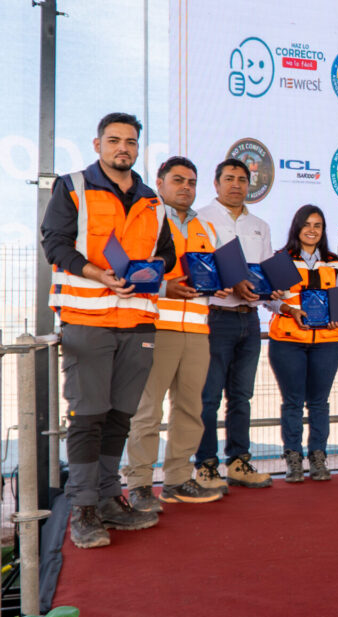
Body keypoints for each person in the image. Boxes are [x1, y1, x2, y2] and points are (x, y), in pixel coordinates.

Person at [41, 112, 172, 547]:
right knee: (88, 416)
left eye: (130, 142)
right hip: (88, 319)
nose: (123, 148)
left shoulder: (152, 200)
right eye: (114, 140)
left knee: (119, 416)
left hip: (138, 322)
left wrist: (152, 269)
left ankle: (109, 498)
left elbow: (168, 254)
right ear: (98, 144)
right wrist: (97, 273)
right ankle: (84, 508)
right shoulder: (72, 186)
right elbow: (55, 244)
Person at [123, 157, 226, 512]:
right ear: (160, 182)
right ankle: (139, 484)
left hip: (197, 330)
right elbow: (130, 274)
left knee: (190, 409)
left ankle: (177, 480)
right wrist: (166, 288)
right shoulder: (147, 220)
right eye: (178, 180)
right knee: (147, 411)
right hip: (156, 326)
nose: (186, 187)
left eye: (191, 182)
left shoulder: (207, 228)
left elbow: (211, 276)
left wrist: (221, 285)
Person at [193, 159, 274, 490]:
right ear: (216, 184)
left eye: (242, 179)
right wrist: (230, 281)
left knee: (241, 397)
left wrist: (274, 294)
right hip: (214, 318)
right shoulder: (200, 219)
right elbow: (198, 269)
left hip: (249, 320)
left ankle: (239, 462)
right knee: (208, 397)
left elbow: (266, 272)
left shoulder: (260, 225)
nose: (236, 184)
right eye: (229, 178)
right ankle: (206, 466)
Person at [268, 205, 338, 482]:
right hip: (288, 341)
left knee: (319, 403)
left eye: (318, 225)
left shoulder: (333, 262)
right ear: (297, 227)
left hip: (326, 342)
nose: (312, 230)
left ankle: (318, 457)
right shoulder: (283, 259)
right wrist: (289, 310)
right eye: (307, 224)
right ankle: (293, 459)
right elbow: (270, 300)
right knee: (292, 403)